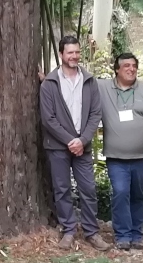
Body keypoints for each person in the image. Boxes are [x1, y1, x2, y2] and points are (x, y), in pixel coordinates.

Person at [38, 35, 108, 250]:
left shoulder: (89, 80)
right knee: (62, 189)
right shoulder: (50, 83)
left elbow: (96, 113)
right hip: (58, 146)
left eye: (77, 52)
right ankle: (68, 229)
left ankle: (91, 231)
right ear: (61, 55)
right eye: (70, 52)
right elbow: (48, 119)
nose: (74, 56)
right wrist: (70, 140)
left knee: (88, 189)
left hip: (83, 146)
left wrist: (83, 139)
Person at [97, 52, 143, 250]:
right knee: (120, 193)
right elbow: (77, 77)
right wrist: (48, 79)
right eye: (126, 65)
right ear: (117, 69)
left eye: (134, 65)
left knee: (138, 196)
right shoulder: (103, 88)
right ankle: (122, 235)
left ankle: (136, 235)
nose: (131, 69)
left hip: (142, 158)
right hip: (116, 158)